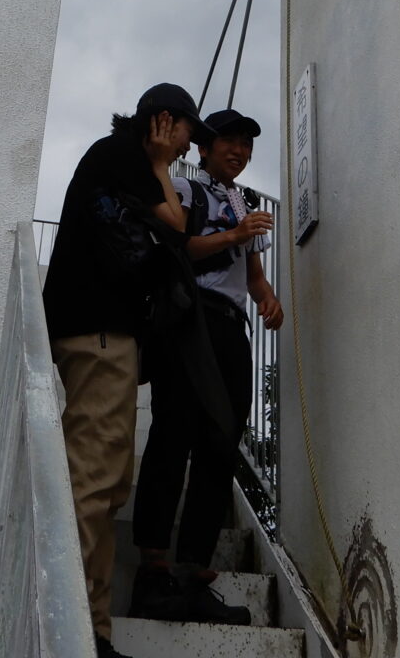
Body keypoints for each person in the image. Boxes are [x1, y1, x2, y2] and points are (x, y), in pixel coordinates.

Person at [43, 83, 215, 658]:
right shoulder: (121, 155)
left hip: (105, 333)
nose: (192, 145)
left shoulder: (119, 161)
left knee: (111, 479)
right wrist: (164, 163)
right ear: (165, 122)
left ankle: (94, 628)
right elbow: (177, 224)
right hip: (96, 332)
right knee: (93, 479)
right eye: (190, 130)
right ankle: (74, 630)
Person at [129, 108, 284, 626]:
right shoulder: (184, 188)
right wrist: (235, 236)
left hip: (231, 327)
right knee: (173, 433)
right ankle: (152, 569)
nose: (239, 152)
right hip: (189, 318)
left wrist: (266, 298)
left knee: (221, 443)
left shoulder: (243, 199)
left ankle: (194, 571)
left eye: (246, 145)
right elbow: (180, 250)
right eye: (229, 143)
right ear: (204, 148)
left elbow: (252, 273)